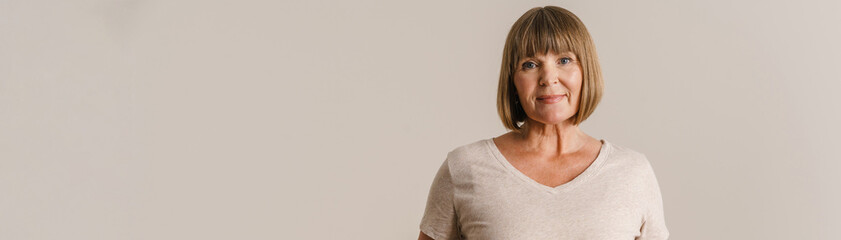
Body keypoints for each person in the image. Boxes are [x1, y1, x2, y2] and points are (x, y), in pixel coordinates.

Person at [417, 6, 670, 240]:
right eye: (530, 64)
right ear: (513, 81)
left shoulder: (633, 173)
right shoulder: (464, 168)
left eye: (564, 60)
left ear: (586, 71)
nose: (548, 78)